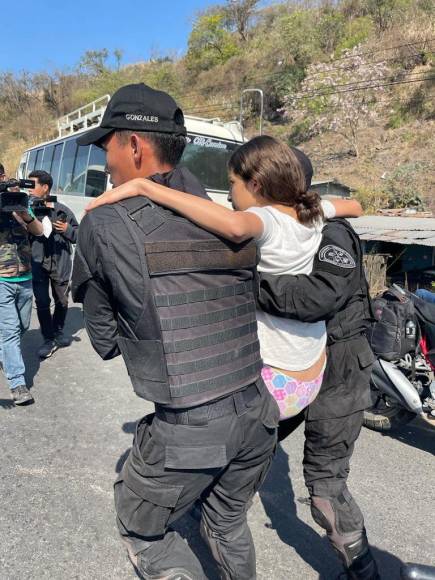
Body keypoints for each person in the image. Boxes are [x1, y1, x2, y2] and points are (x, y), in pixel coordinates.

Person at [71, 83, 279, 580]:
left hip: (193, 428)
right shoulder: (230, 215)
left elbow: (102, 340)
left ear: (135, 146)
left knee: (144, 530)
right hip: (259, 413)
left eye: (107, 145)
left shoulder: (107, 221)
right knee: (226, 522)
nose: (107, 158)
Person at [86, 136, 363, 423]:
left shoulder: (266, 219)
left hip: (277, 380)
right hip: (311, 373)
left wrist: (147, 187)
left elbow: (234, 227)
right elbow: (355, 206)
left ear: (255, 184)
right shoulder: (312, 212)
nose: (230, 195)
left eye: (232, 183)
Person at [256, 153, 379, 579]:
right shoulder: (283, 227)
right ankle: (213, 517)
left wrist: (247, 285)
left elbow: (317, 298)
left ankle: (364, 573)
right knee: (248, 439)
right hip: (296, 364)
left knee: (325, 487)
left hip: (340, 366)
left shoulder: (332, 234)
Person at [0, 168, 44, 405]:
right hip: (1, 279)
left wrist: (24, 213)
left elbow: (38, 231)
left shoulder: (18, 202)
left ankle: (5, 354)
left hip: (24, 276)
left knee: (22, 326)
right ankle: (17, 384)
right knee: (9, 331)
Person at [27, 170, 78, 358]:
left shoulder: (63, 210)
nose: (29, 190)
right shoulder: (26, 210)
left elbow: (80, 235)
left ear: (45, 187)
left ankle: (57, 330)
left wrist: (67, 230)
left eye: (33, 185)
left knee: (62, 301)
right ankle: (48, 339)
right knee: (42, 302)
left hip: (61, 263)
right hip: (38, 263)